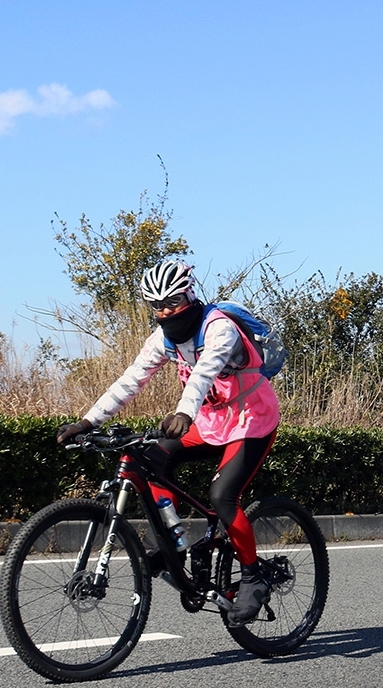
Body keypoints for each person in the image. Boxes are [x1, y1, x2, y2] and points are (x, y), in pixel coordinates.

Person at [57, 260, 280, 626]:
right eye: (156, 306)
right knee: (151, 459)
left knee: (223, 496)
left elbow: (204, 375)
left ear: (190, 295)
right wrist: (88, 420)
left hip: (251, 419)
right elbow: (132, 379)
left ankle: (254, 576)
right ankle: (172, 545)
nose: (165, 311)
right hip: (211, 422)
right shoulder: (161, 339)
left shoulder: (219, 328)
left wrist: (184, 413)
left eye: (173, 302)